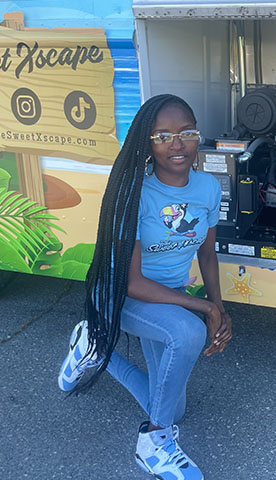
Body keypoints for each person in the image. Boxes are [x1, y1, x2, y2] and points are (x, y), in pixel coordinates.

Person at [57, 94, 232, 480]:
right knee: (186, 332)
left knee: (172, 404)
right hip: (121, 293)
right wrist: (203, 310)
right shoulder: (133, 193)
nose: (177, 143)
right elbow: (133, 282)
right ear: (147, 143)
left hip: (164, 297)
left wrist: (220, 308)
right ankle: (154, 444)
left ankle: (91, 346)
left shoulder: (207, 188)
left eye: (186, 132)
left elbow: (207, 253)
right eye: (162, 135)